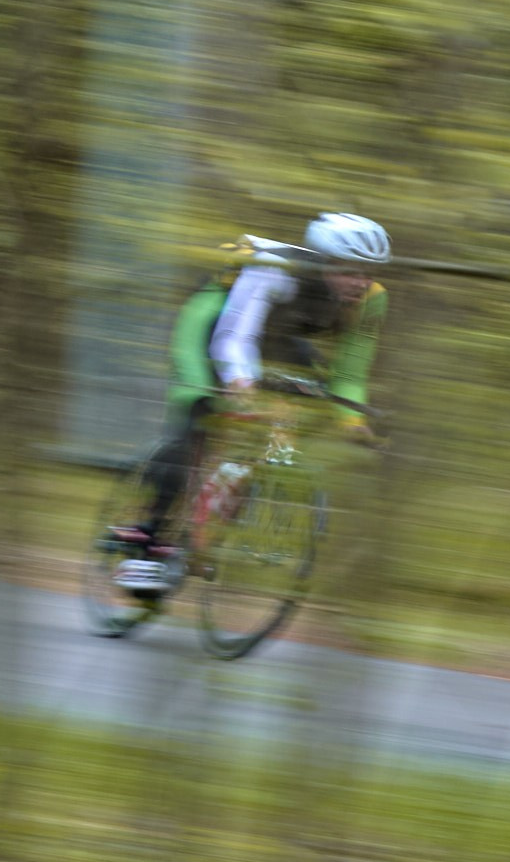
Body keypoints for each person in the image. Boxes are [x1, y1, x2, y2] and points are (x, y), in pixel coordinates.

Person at [110, 212, 391, 596]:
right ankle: (147, 536)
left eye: (368, 272)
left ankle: (230, 491)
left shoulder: (373, 300)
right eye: (349, 270)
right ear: (322, 262)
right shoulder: (274, 268)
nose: (361, 282)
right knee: (199, 411)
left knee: (300, 409)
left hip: (277, 336)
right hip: (214, 321)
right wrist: (240, 382)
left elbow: (349, 375)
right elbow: (232, 339)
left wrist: (351, 421)